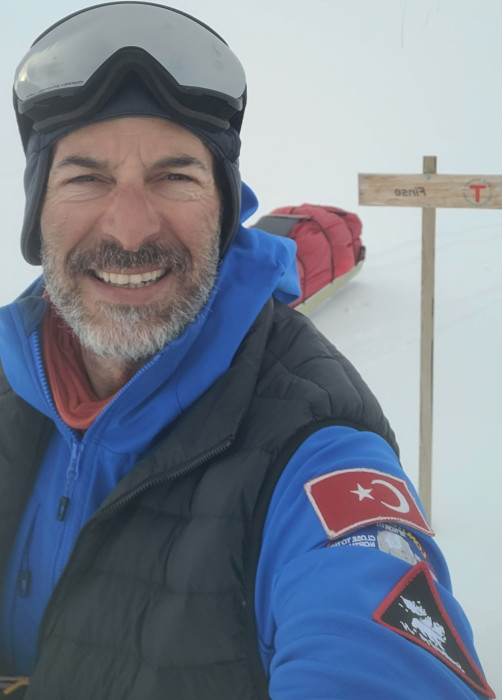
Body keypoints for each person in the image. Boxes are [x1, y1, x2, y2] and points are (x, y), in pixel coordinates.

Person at [0, 3, 494, 699]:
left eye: (175, 177)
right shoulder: (8, 376)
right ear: (36, 211)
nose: (133, 228)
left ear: (226, 212)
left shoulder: (315, 446)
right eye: (87, 177)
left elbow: (373, 642)